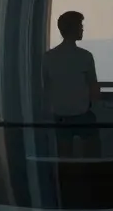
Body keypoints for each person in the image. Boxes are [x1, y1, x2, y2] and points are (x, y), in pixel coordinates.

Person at [42, 11, 101, 155]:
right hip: (83, 114)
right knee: (92, 155)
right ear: (73, 28)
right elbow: (93, 87)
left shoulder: (48, 57)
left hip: (60, 116)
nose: (82, 29)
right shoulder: (85, 56)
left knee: (64, 156)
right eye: (80, 25)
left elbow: (45, 86)